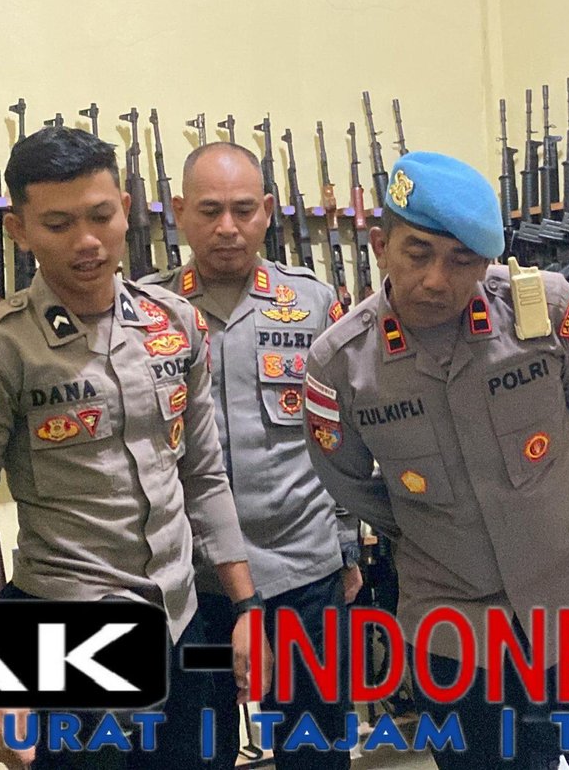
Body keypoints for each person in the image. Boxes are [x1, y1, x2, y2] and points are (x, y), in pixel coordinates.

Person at [0, 125, 268, 769]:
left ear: (126, 209)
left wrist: (245, 604)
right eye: (58, 224)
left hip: (182, 614)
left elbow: (203, 474)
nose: (86, 241)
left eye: (100, 215)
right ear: (19, 230)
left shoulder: (173, 322)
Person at [304, 150, 569, 770]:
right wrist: (434, 524)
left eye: (462, 260)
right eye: (418, 253)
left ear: (486, 262)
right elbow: (348, 482)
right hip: (457, 634)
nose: (438, 279)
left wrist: (535, 496)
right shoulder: (340, 365)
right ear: (380, 246)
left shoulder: (547, 312)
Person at [145, 141, 358, 769]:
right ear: (179, 212)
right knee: (197, 753)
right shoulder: (149, 313)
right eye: (210, 210)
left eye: (243, 209)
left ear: (267, 210)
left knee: (315, 753)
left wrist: (348, 547)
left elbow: (342, 435)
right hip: (197, 583)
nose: (227, 228)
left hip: (304, 571)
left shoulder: (313, 303)